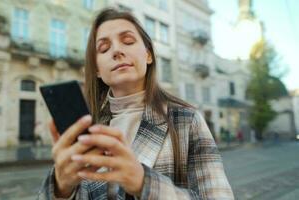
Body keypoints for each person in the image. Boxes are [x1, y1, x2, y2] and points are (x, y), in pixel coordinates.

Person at [38, 8, 234, 200]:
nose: (117, 51)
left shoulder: (186, 119)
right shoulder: (90, 129)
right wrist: (62, 189)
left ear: (148, 55)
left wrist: (144, 183)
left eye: (128, 41)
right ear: (97, 69)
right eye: (104, 48)